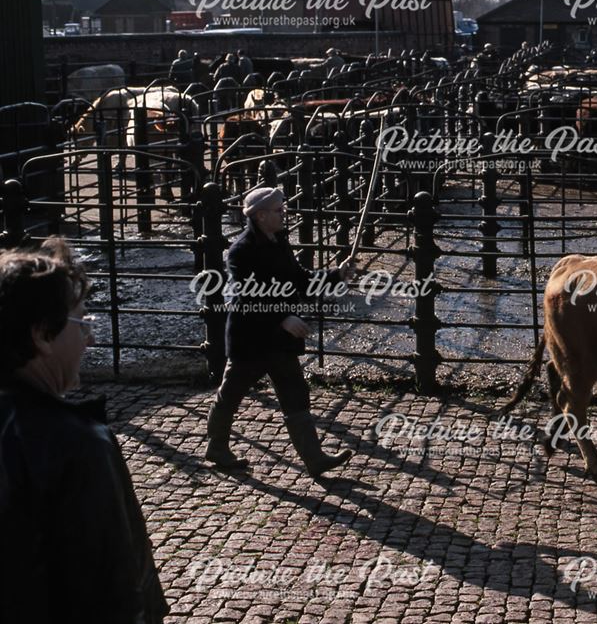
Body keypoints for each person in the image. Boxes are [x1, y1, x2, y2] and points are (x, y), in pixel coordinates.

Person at [0, 237, 168, 623]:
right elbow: (110, 590)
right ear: (42, 335)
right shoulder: (76, 443)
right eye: (82, 321)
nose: (90, 337)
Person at [206, 187, 355, 478]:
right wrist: (282, 318)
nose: (284, 213)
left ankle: (314, 459)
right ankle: (217, 446)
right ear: (260, 215)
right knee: (232, 393)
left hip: (276, 340)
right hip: (250, 338)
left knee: (295, 394)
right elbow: (249, 297)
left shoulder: (279, 243)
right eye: (278, 210)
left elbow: (300, 280)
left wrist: (336, 275)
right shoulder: (241, 251)